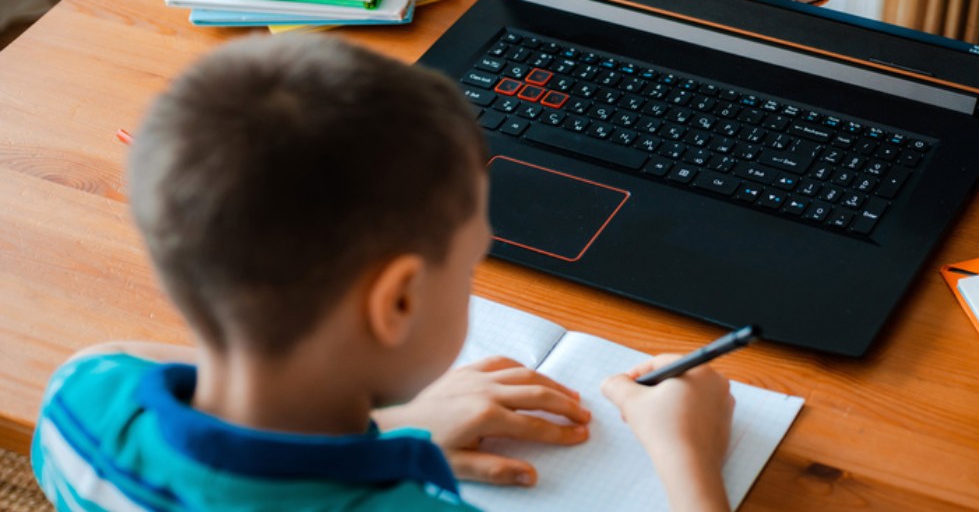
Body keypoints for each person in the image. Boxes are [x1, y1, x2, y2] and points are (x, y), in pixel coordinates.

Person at [29, 35, 735, 512]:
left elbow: (128, 358)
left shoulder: (80, 401)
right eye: (470, 266)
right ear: (396, 301)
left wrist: (388, 425)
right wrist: (688, 456)